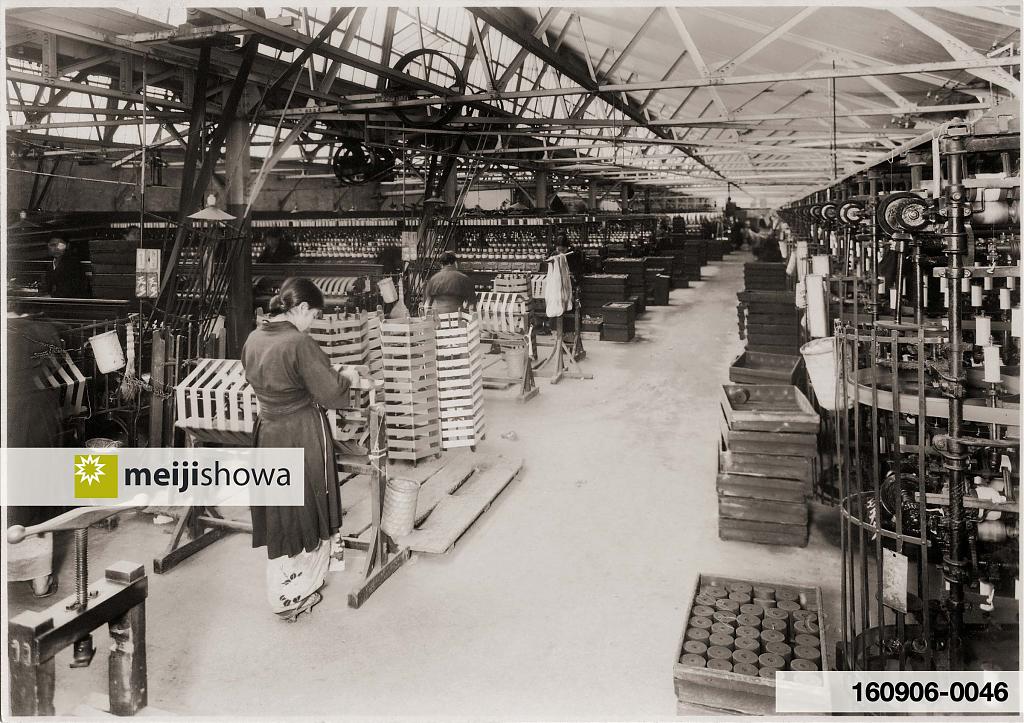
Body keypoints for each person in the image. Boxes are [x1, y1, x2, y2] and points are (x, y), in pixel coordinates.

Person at [241, 278, 361, 621]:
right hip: (300, 432)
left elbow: (257, 376)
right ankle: (297, 590)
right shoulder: (299, 342)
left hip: (268, 431)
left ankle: (281, 587)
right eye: (314, 316)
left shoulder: (254, 337)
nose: (313, 323)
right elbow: (332, 394)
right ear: (302, 308)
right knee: (308, 501)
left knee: (281, 506)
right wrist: (347, 376)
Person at [6, 306, 64, 597]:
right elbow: (54, 362)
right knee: (36, 494)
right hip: (38, 419)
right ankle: (40, 578)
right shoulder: (42, 331)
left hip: (9, 421)